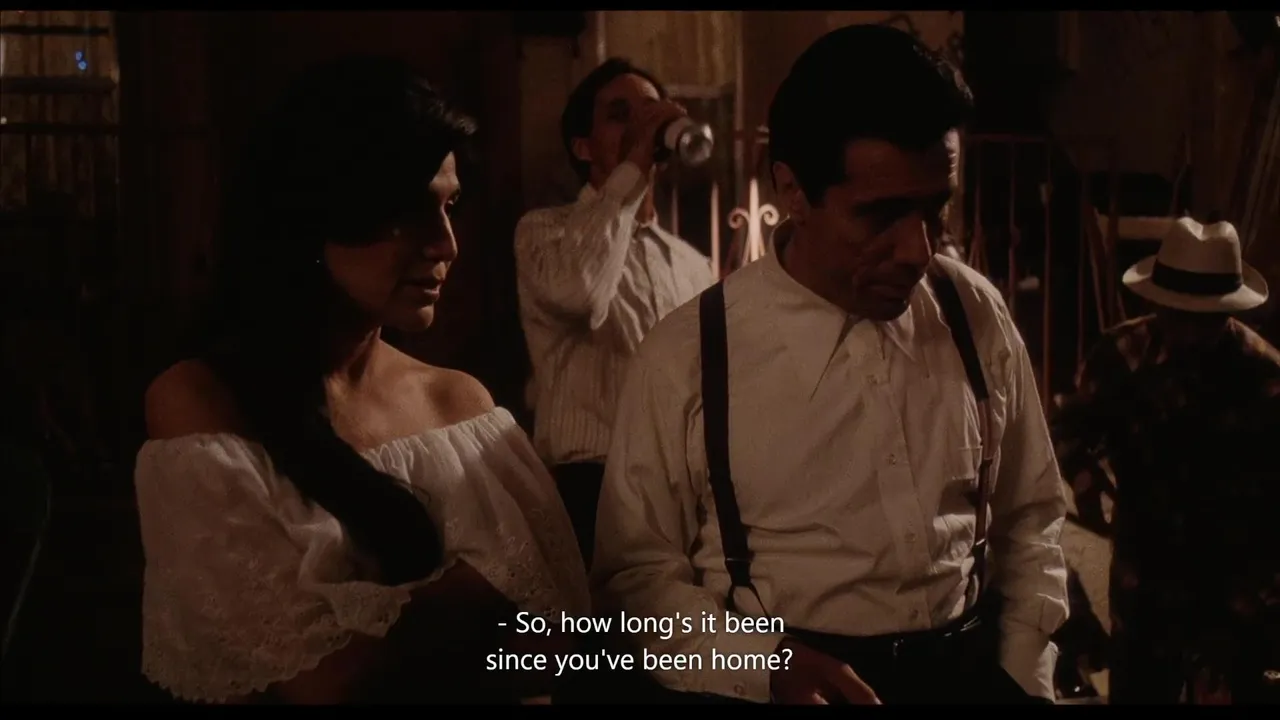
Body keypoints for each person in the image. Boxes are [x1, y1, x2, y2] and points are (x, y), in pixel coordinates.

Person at [593, 24, 1069, 705]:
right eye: (880, 216)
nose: (918, 249)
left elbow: (1030, 516)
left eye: (936, 209)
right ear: (792, 189)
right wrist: (759, 665)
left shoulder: (972, 311)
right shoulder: (689, 354)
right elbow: (634, 582)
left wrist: (1024, 676)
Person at [134, 55, 588, 705]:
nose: (446, 244)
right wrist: (471, 594)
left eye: (450, 205)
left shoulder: (461, 405)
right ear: (318, 216)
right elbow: (316, 680)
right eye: (410, 210)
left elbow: (556, 649)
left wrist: (421, 623)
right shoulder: (203, 402)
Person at [1053, 216, 1279, 704]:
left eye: (1206, 319)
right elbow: (1069, 428)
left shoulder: (1266, 378)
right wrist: (1086, 481)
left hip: (1234, 586)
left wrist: (1252, 608)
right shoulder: (1120, 355)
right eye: (1179, 315)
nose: (1190, 333)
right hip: (1144, 578)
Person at [514, 58, 715, 564]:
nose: (641, 124)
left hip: (679, 485)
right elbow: (581, 293)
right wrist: (632, 169)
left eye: (650, 111)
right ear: (582, 147)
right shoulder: (544, 232)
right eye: (620, 115)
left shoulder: (692, 262)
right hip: (589, 482)